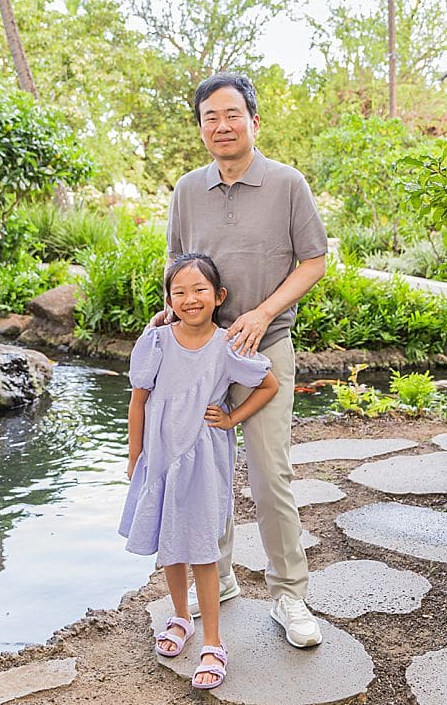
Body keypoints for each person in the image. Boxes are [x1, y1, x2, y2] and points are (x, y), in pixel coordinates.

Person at [164, 72, 329, 648]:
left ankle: (289, 594)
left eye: (232, 114)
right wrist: (170, 313)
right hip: (200, 353)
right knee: (203, 470)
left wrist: (259, 314)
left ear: (254, 122)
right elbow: (177, 266)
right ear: (201, 127)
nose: (222, 125)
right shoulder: (187, 189)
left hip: (264, 349)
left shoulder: (287, 184)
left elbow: (313, 260)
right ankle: (222, 575)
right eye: (210, 117)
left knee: (269, 473)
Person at [119, 252, 280, 691]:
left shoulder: (227, 345)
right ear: (168, 298)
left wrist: (231, 418)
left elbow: (268, 385)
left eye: (199, 290)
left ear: (218, 296)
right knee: (169, 543)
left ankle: (213, 641)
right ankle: (179, 616)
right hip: (160, 452)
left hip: (204, 457)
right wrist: (135, 456)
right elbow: (138, 400)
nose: (190, 299)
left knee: (203, 547)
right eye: (180, 292)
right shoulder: (155, 341)